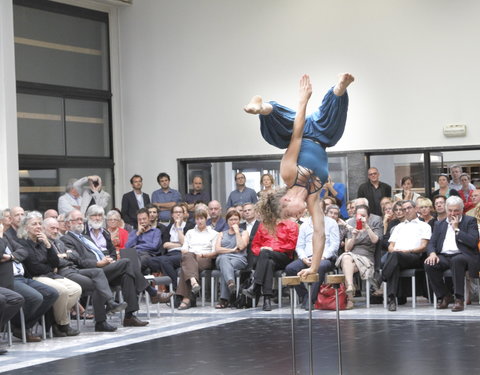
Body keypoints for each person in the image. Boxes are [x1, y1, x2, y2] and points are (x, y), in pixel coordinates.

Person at [244, 73, 353, 278]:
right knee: (335, 126)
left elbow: (297, 134)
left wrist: (303, 100)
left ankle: (263, 108)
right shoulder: (313, 198)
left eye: (289, 214)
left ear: (286, 200)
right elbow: (319, 233)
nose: (296, 217)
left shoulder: (289, 174)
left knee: (276, 133)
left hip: (303, 130)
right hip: (323, 135)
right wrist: (314, 267)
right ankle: (339, 89)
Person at [43, 218, 127, 332]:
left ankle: (110, 303)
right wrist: (65, 256)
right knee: (98, 284)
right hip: (63, 273)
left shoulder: (59, 241)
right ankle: (102, 319)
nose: (55, 231)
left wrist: (65, 256)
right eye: (52, 228)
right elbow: (55, 262)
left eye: (57, 228)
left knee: (98, 273)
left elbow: (75, 256)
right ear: (44, 229)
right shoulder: (45, 244)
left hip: (74, 269)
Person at [10, 211, 82, 336]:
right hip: (36, 277)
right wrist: (50, 267)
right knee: (62, 291)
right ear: (26, 227)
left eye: (39, 223)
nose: (38, 226)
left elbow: (55, 263)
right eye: (34, 224)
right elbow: (34, 268)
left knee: (76, 289)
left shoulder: (42, 240)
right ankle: (63, 324)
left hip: (51, 275)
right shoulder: (22, 242)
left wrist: (48, 246)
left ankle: (55, 321)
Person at [424, 196, 479, 312]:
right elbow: (431, 243)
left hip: (464, 255)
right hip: (444, 256)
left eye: (456, 210)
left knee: (456, 260)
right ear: (446, 209)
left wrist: (457, 229)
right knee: (430, 264)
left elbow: (473, 242)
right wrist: (432, 253)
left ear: (462, 209)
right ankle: (444, 295)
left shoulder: (470, 221)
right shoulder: (439, 224)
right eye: (450, 210)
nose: (453, 213)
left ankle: (459, 299)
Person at [285, 209, 339, 310]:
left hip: (325, 257)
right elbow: (299, 246)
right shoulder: (305, 225)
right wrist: (304, 257)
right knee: (290, 268)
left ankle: (311, 299)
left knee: (320, 266)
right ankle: (305, 295)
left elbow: (334, 245)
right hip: (307, 257)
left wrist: (322, 257)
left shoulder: (331, 223)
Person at [382, 200, 431, 311]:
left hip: (414, 256)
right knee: (394, 261)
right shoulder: (398, 227)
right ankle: (392, 299)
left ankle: (383, 276)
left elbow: (424, 246)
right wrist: (395, 250)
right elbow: (390, 246)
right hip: (398, 257)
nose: (406, 211)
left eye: (409, 208)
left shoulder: (424, 226)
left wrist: (407, 251)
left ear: (415, 209)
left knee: (394, 257)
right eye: (404, 209)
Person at [243, 219, 299, 311]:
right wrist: (261, 250)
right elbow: (255, 245)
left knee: (266, 253)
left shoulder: (291, 225)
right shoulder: (263, 225)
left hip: (283, 256)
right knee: (269, 262)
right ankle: (266, 300)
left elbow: (291, 245)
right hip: (265, 258)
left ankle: (256, 285)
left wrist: (272, 249)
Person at [336, 204, 382, 309]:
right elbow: (347, 248)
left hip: (366, 257)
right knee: (347, 257)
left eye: (363, 215)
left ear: (368, 216)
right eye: (358, 215)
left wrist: (366, 226)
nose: (360, 217)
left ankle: (350, 299)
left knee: (346, 261)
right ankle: (351, 286)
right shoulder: (351, 223)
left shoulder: (374, 223)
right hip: (352, 256)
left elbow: (375, 240)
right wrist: (354, 237)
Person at [147, 204, 195, 292]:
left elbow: (185, 243)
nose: (178, 214)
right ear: (172, 215)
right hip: (169, 254)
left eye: (180, 212)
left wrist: (178, 228)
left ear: (184, 214)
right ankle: (174, 283)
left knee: (165, 261)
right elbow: (165, 244)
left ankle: (174, 288)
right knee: (150, 261)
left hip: (183, 254)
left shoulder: (189, 226)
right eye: (176, 212)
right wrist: (179, 243)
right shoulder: (169, 227)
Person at [176, 210, 218, 310]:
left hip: (205, 258)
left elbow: (214, 252)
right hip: (190, 257)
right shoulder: (190, 233)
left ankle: (187, 298)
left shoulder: (213, 233)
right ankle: (193, 283)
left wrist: (202, 255)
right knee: (188, 256)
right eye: (197, 219)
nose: (199, 221)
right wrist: (190, 253)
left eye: (201, 218)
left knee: (185, 267)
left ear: (206, 219)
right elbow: (184, 249)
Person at [214, 210, 249, 308]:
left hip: (239, 259)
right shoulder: (222, 234)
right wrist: (231, 250)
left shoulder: (244, 232)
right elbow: (217, 249)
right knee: (223, 259)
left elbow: (241, 247)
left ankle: (224, 299)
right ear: (227, 221)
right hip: (223, 258)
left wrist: (237, 232)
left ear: (239, 221)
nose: (233, 222)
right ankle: (231, 283)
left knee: (225, 268)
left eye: (236, 219)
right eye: (231, 220)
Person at [125, 208, 162, 273]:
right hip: (134, 254)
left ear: (149, 219)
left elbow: (154, 246)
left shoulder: (156, 231)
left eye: (144, 219)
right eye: (139, 219)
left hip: (148, 255)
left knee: (136, 262)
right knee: (124, 262)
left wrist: (137, 247)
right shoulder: (134, 232)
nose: (142, 221)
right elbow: (127, 247)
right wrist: (138, 233)